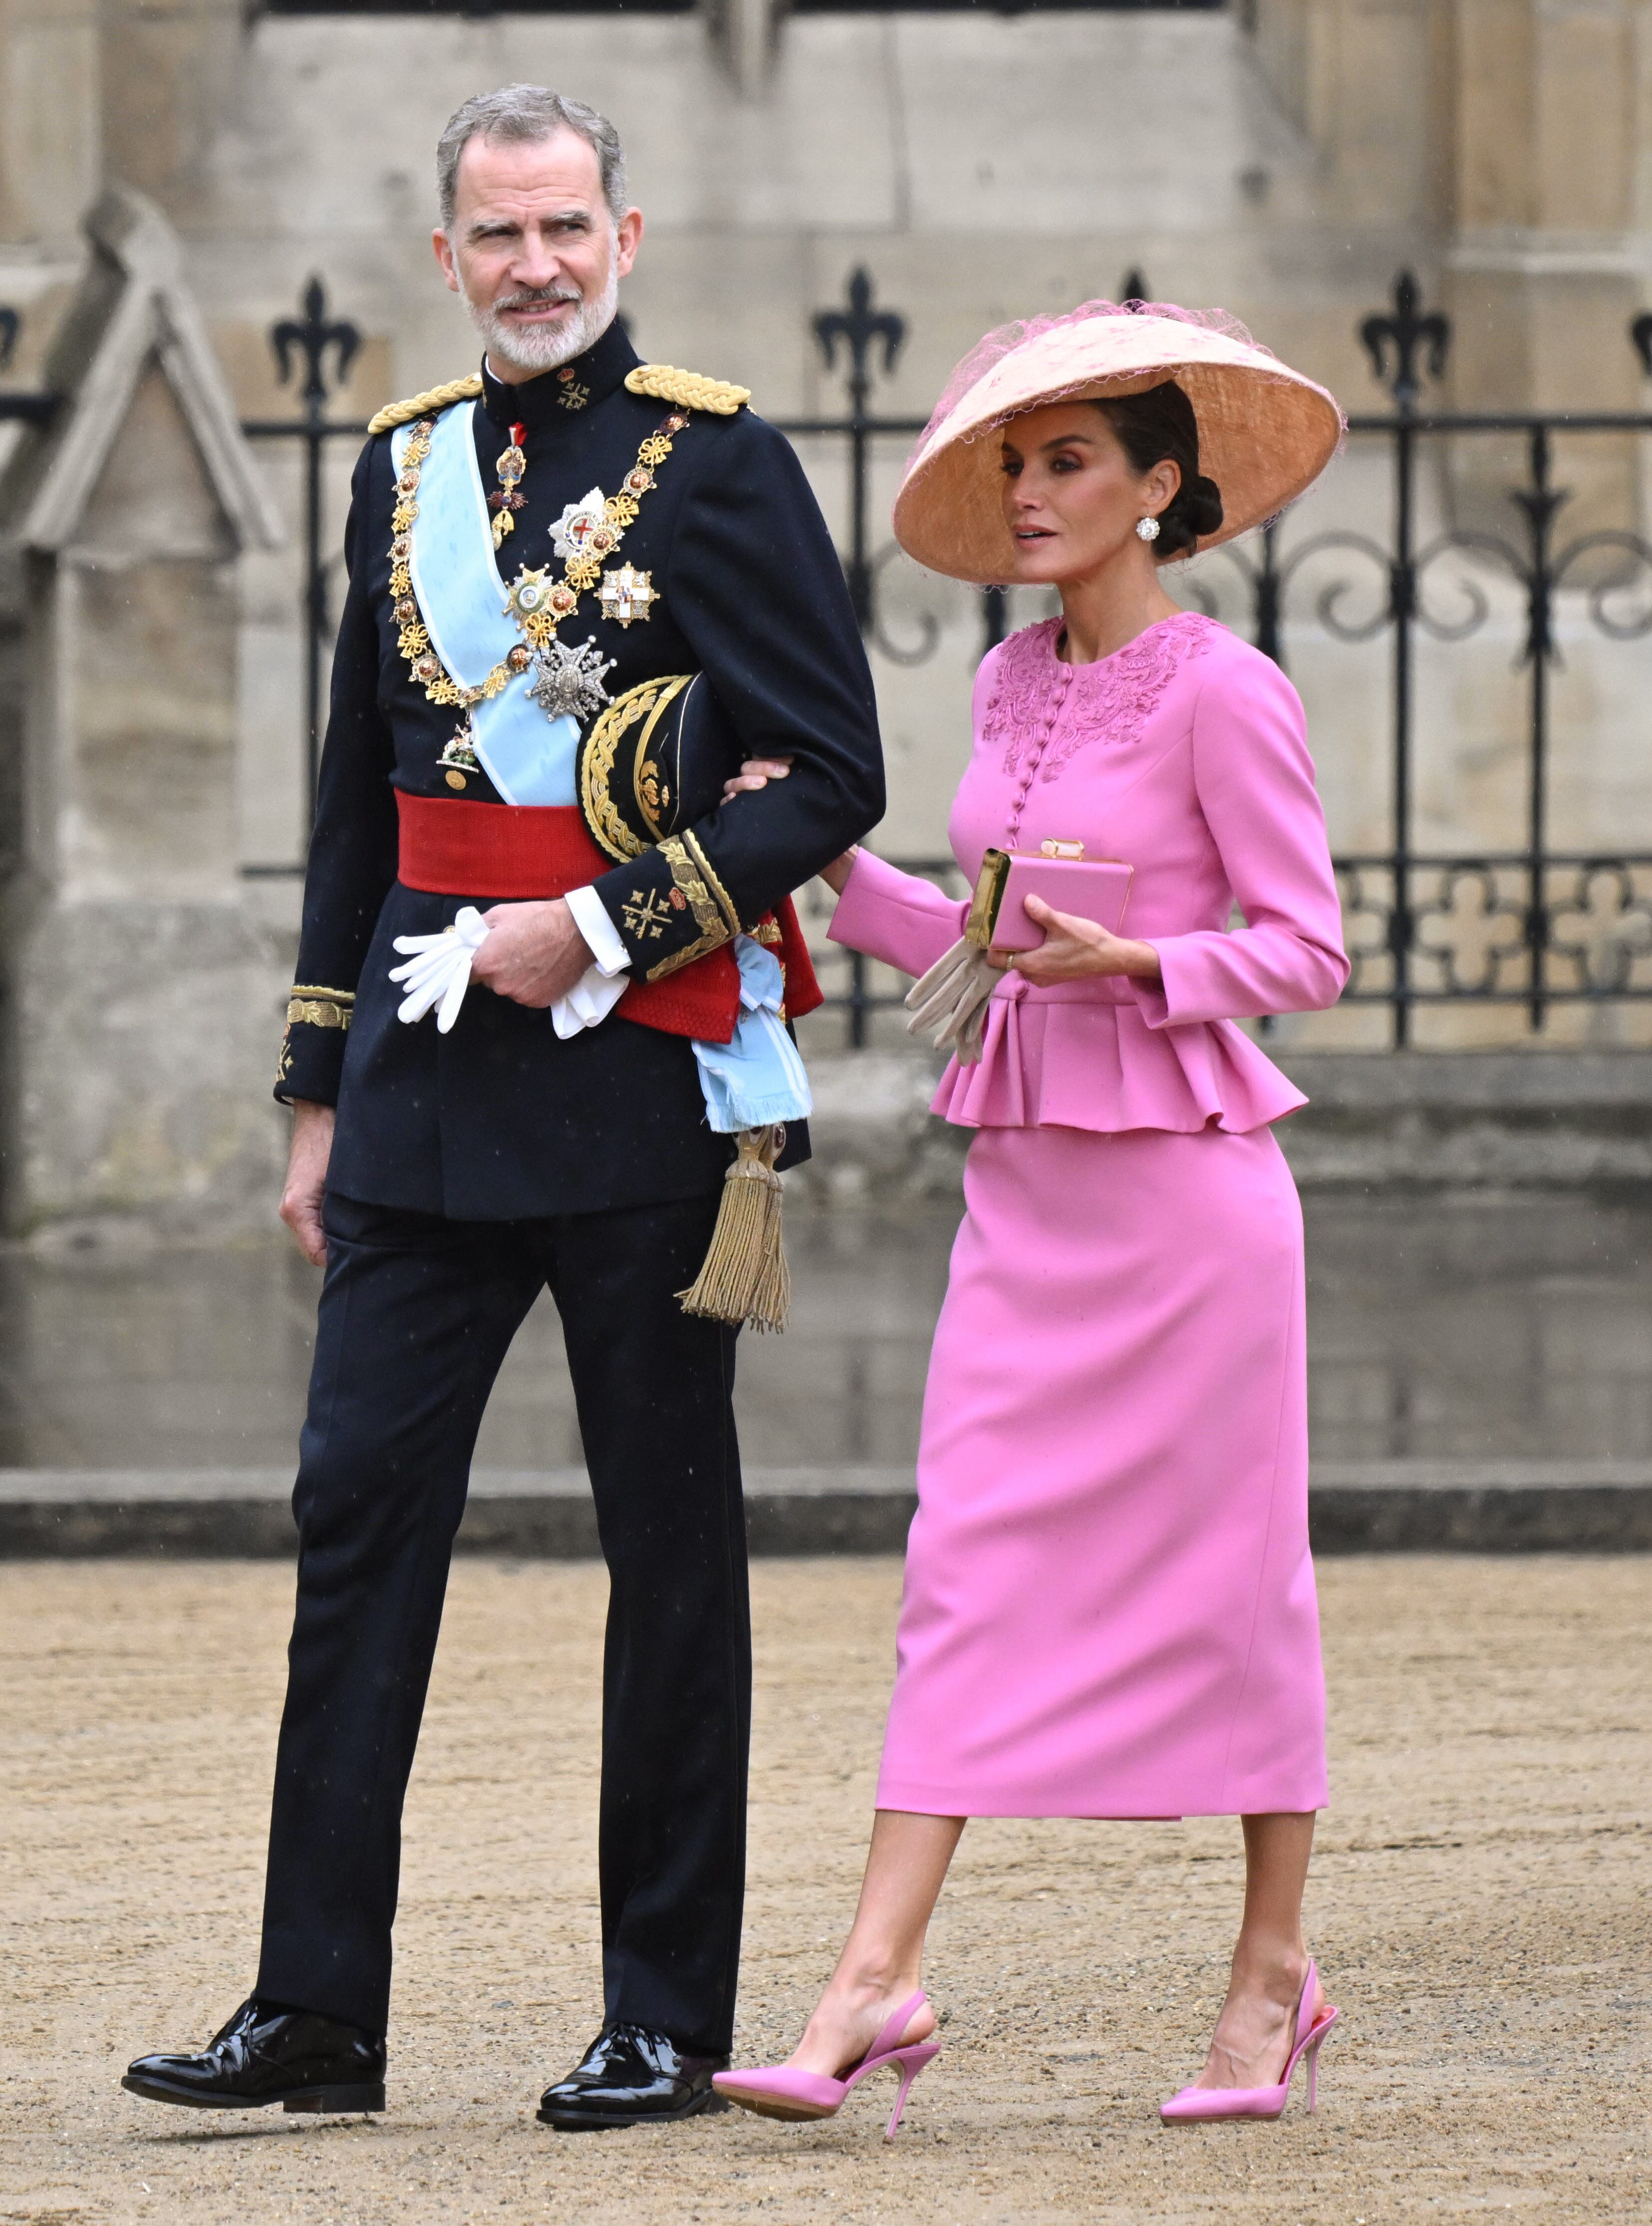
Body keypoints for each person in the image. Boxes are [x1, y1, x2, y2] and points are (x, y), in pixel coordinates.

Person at [121, 84, 882, 2132]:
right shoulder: (399, 471)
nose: (536, 265)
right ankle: (316, 2005)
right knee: (353, 1520)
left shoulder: (719, 466)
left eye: (567, 227)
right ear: (446, 253)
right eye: (498, 233)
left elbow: (832, 769)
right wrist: (311, 1095)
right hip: (419, 1102)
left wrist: (608, 927)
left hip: (641, 1088)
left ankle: (660, 2006)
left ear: (624, 236)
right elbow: (357, 803)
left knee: (668, 1546)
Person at [711, 301, 1350, 2134]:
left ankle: (1268, 1976)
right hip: (1029, 1200)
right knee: (964, 1572)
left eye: (1072, 458)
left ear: (1162, 486)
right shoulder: (1005, 682)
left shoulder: (1231, 688)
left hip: (1195, 1210)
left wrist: (1142, 952)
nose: (1035, 488)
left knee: (1238, 1589)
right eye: (1019, 459)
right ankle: (871, 1980)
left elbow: (1308, 947)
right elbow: (982, 940)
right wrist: (828, 861)